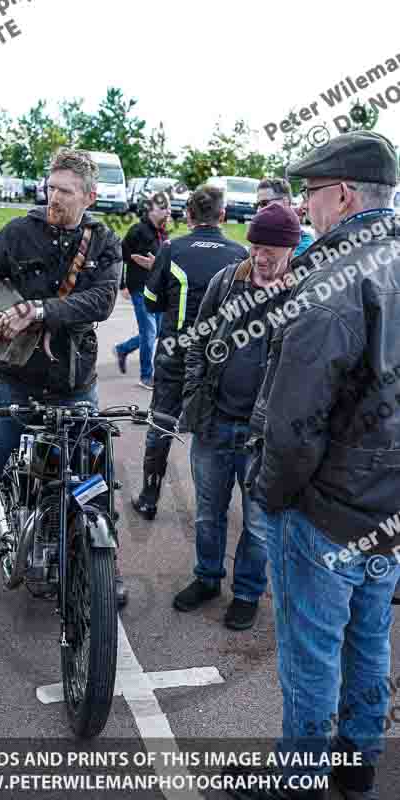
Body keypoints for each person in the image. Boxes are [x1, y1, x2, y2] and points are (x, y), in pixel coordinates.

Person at [240, 131, 400, 799]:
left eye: (308, 194)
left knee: (311, 654)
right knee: (367, 637)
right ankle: (355, 756)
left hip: (327, 504)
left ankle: (296, 777)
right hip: (383, 501)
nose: (303, 208)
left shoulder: (334, 273)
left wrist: (270, 493)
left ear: (340, 193)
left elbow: (295, 412)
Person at [0, 149, 127, 608]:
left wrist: (38, 310)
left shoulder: (104, 241)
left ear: (90, 195)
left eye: (64, 190)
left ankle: (104, 563)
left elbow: (101, 302)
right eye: (50, 186)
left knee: (93, 478)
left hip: (74, 383)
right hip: (13, 379)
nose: (53, 196)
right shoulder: (16, 233)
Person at [178, 202, 302, 631]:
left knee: (258, 522)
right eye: (254, 246)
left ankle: (247, 592)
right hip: (214, 422)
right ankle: (207, 578)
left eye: (270, 249)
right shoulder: (227, 281)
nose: (260, 256)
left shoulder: (303, 291)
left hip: (263, 436)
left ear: (291, 248)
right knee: (207, 511)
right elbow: (197, 338)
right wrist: (194, 390)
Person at [130, 185, 248, 521]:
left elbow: (151, 302)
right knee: (214, 426)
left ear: (189, 215)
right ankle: (213, 508)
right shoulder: (239, 254)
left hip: (175, 350)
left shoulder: (172, 249)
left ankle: (149, 497)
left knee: (162, 423)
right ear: (222, 216)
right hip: (220, 355)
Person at [113, 192, 170, 389]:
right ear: (150, 210)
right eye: (163, 208)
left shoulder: (164, 234)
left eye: (169, 208)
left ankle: (122, 349)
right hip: (140, 288)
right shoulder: (137, 231)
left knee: (156, 332)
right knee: (149, 332)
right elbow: (120, 257)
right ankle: (147, 377)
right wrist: (122, 285)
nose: (168, 212)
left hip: (160, 291)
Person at [257, 177, 314, 256]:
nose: (259, 210)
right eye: (258, 205)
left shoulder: (304, 245)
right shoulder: (259, 239)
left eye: (264, 204)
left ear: (285, 202)